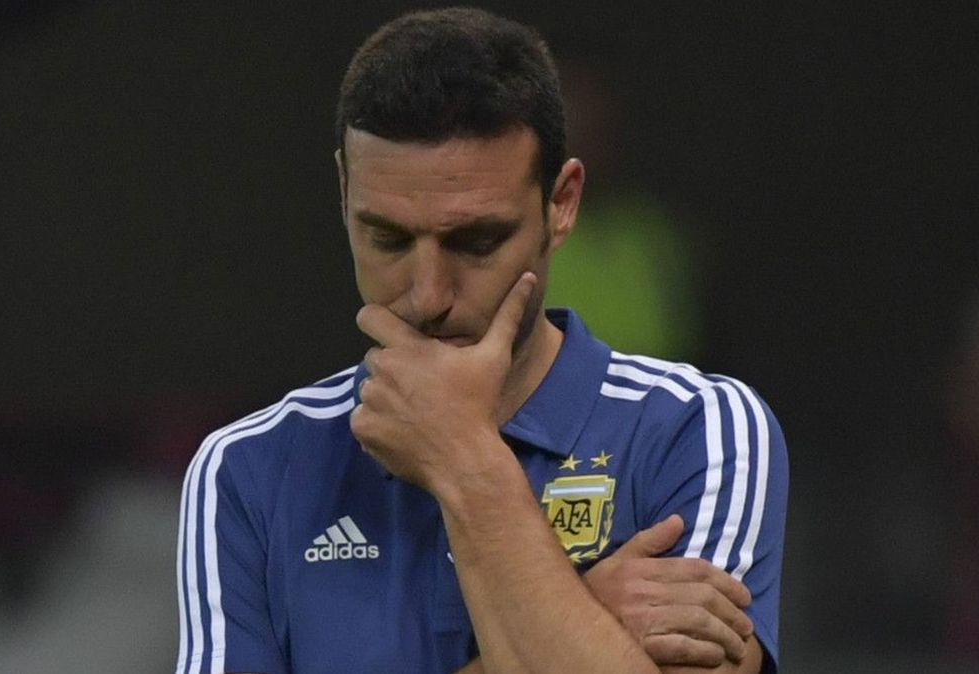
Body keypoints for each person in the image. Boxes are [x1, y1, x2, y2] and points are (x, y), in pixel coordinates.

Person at [176, 8, 787, 674]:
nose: (428, 295)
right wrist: (584, 617)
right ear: (344, 191)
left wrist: (464, 459)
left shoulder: (700, 429)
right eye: (387, 239)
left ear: (561, 203)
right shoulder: (247, 469)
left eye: (476, 241)